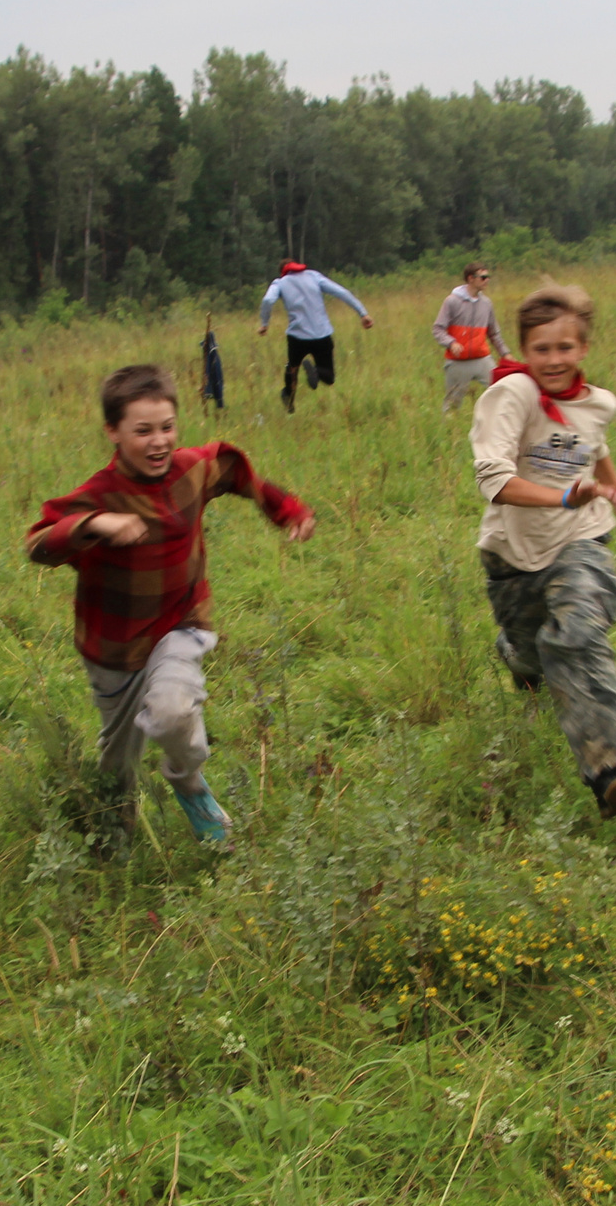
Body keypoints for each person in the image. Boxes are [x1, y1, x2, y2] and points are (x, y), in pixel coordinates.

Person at [26, 365, 316, 842]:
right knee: (118, 762)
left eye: (167, 427)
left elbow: (237, 472)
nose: (158, 441)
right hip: (114, 648)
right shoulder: (99, 495)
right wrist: (95, 524)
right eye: (142, 431)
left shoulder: (191, 469)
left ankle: (188, 783)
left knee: (173, 712)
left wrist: (288, 510)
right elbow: (38, 543)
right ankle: (114, 837)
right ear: (113, 431)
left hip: (180, 625)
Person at [471, 281, 616, 818]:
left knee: (577, 635)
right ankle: (516, 657)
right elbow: (493, 481)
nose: (554, 360)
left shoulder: (600, 403)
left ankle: (609, 769)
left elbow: (597, 451)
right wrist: (561, 496)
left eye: (565, 347)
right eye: (542, 349)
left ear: (584, 347)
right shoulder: (512, 395)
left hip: (581, 538)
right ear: (524, 350)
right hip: (513, 554)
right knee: (533, 652)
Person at [257, 260, 371, 412]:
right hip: (322, 334)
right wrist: (363, 313)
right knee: (329, 378)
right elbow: (341, 292)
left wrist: (264, 323)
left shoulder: (280, 283)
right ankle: (317, 372)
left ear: (282, 271)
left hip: (297, 336)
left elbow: (268, 300)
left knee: (293, 367)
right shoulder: (313, 276)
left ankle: (289, 398)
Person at [434, 262, 510, 415]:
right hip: (458, 362)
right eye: (483, 277)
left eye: (488, 277)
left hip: (482, 359)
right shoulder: (452, 301)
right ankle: (450, 427)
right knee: (452, 405)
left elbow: (494, 333)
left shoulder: (486, 304)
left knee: (502, 392)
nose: (487, 280)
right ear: (471, 278)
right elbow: (438, 329)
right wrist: (451, 343)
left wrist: (505, 354)